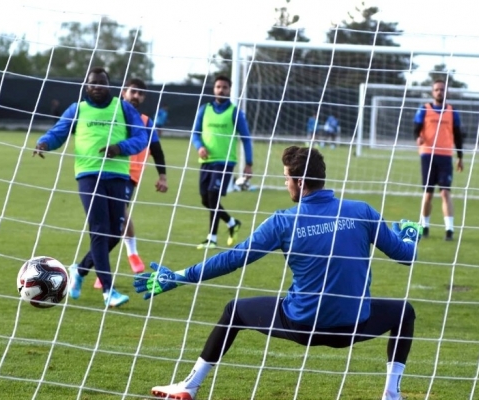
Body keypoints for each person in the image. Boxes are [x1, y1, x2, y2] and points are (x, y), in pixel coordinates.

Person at [134, 146, 420, 400]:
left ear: (300, 181)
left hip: (301, 324)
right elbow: (406, 256)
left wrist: (180, 276)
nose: (286, 184)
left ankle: (190, 385)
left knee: (234, 311)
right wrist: (409, 236)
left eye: (286, 178)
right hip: (353, 325)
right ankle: (391, 394)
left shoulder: (283, 221)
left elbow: (234, 258)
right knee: (404, 313)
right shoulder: (362, 212)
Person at [33, 66, 149, 307]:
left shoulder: (123, 108)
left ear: (109, 85)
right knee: (99, 229)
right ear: (86, 86)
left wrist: (119, 148)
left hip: (118, 176)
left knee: (115, 232)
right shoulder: (77, 109)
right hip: (88, 175)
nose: (97, 86)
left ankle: (80, 269)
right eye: (92, 83)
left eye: (101, 82)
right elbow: (58, 132)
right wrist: (44, 143)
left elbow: (141, 138)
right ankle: (109, 291)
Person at [91, 77, 169, 289]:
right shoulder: (110, 113)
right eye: (133, 91)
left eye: (140, 93)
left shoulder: (145, 121)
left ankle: (117, 262)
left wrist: (162, 176)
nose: (136, 96)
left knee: (115, 220)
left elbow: (157, 150)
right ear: (123, 92)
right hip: (101, 171)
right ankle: (117, 261)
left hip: (128, 176)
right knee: (108, 224)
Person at [191, 75, 252, 250]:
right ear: (214, 89)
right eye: (218, 87)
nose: (221, 90)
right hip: (206, 161)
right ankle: (232, 223)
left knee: (213, 195)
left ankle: (212, 238)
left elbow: (246, 138)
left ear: (229, 90)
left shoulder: (235, 112)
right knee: (205, 199)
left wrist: (249, 163)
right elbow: (195, 133)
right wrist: (199, 147)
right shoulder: (204, 109)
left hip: (225, 161)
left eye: (225, 87)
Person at [413, 79, 464, 241]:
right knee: (428, 194)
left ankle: (449, 230)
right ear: (432, 92)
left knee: (445, 192)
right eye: (436, 89)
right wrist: (418, 138)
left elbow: (458, 136)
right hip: (428, 154)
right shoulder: (424, 109)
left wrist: (460, 157)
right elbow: (416, 129)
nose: (439, 92)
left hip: (445, 156)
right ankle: (424, 226)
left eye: (442, 89)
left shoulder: (452, 112)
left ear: (446, 92)